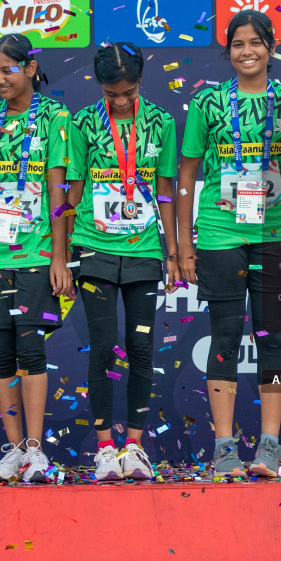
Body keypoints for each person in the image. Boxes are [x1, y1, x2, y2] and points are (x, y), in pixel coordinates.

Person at [176, 9, 281, 479]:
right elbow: (186, 172)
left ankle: (270, 447)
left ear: (271, 48)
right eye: (238, 44)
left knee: (271, 338)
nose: (247, 52)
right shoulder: (208, 103)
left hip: (274, 233)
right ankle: (224, 446)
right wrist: (185, 243)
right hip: (220, 234)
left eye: (256, 43)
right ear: (228, 51)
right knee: (224, 336)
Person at [0, 33, 74, 483]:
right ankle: (13, 450)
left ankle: (36, 449)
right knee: (0, 354)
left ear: (29, 68)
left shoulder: (54, 117)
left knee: (31, 349)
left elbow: (58, 192)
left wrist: (59, 257)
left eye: (8, 69)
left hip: (35, 251)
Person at [67, 43, 179, 481]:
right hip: (93, 248)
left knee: (141, 348)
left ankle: (134, 445)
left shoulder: (161, 122)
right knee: (103, 346)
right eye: (110, 93)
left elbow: (166, 190)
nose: (118, 101)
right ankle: (104, 448)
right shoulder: (83, 123)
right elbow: (72, 194)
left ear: (140, 82)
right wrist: (61, 252)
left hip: (144, 249)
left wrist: (172, 251)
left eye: (127, 92)